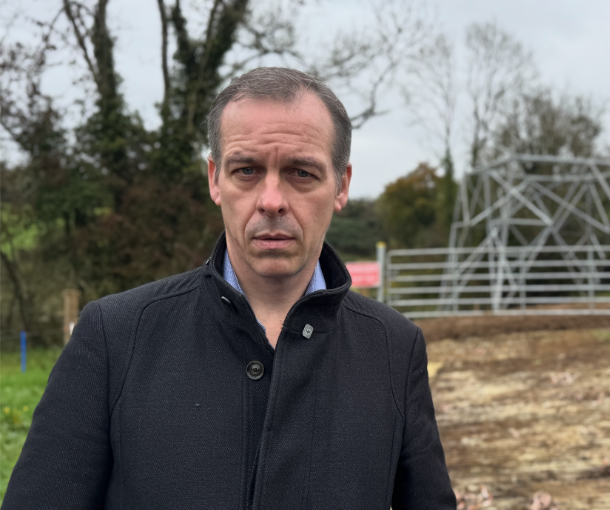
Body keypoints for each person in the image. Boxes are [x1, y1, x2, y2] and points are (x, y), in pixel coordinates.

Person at [2, 67, 456, 509]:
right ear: (214, 179)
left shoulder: (394, 349)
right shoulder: (115, 337)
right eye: (247, 170)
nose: (272, 201)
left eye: (301, 172)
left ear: (342, 185)